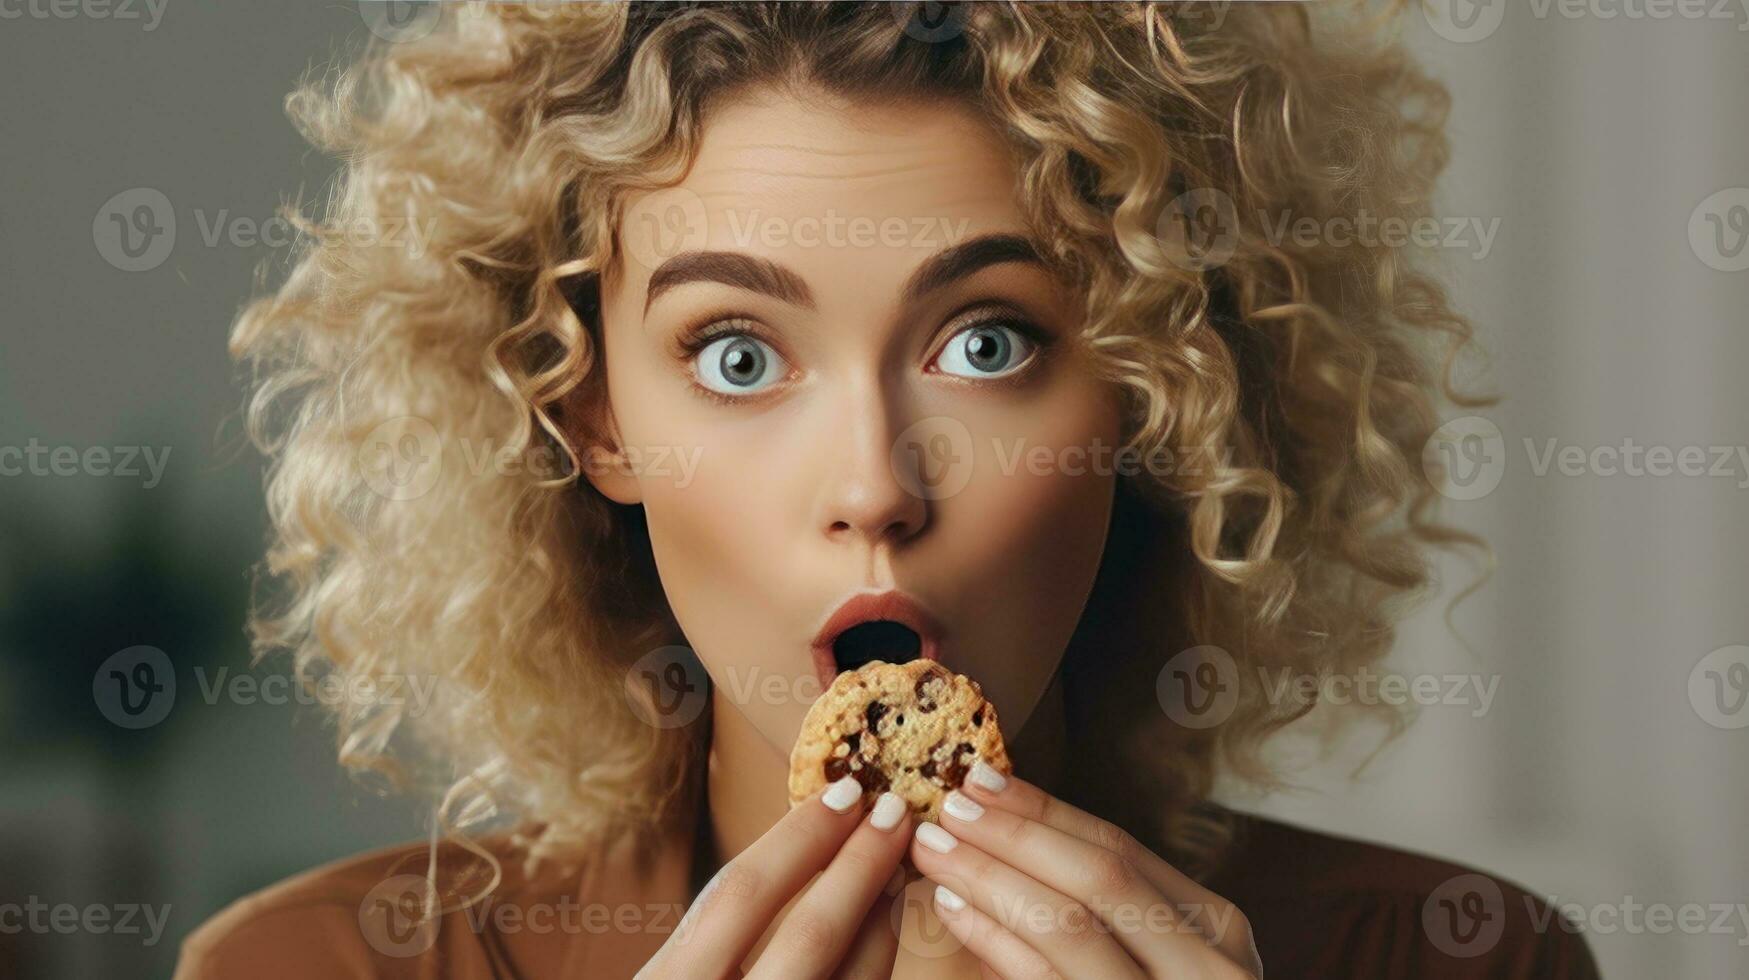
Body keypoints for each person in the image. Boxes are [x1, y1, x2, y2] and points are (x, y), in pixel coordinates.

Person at [178, 3, 1601, 976]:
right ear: (594, 417)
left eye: (986, 342)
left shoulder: (1454, 956)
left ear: (1153, 386)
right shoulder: (314, 968)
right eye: (737, 356)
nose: (874, 484)